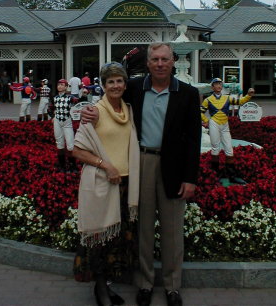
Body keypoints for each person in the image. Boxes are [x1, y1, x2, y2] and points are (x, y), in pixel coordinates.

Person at [82, 42, 201, 306]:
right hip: (141, 163)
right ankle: (145, 284)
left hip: (174, 167)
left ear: (173, 61)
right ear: (147, 63)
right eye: (155, 59)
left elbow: (194, 139)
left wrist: (190, 178)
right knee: (143, 228)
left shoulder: (189, 93)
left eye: (165, 59)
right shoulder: (134, 88)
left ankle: (172, 287)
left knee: (172, 231)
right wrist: (88, 109)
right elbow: (109, 102)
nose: (160, 64)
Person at [73, 62, 140, 306]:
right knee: (101, 237)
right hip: (103, 183)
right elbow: (78, 151)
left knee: (116, 240)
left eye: (119, 81)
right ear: (103, 85)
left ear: (125, 84)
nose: (115, 85)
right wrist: (106, 165)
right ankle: (100, 288)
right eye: (110, 81)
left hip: (125, 185)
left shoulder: (128, 109)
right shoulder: (95, 111)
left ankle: (107, 286)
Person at [201, 78, 255, 184]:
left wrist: (249, 95)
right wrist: (206, 121)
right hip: (214, 124)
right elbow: (200, 112)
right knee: (215, 149)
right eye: (216, 84)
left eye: (220, 84)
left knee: (229, 150)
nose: (219, 86)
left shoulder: (227, 98)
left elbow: (240, 101)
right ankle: (215, 176)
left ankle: (232, 176)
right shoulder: (207, 100)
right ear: (212, 87)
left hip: (225, 125)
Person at [47, 79, 78, 172]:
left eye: (62, 85)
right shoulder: (54, 98)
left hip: (67, 122)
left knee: (70, 145)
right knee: (59, 143)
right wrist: (52, 116)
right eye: (58, 85)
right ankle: (62, 165)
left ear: (65, 87)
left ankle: (73, 165)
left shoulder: (70, 98)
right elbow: (50, 108)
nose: (59, 86)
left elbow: (78, 103)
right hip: (57, 121)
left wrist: (84, 93)